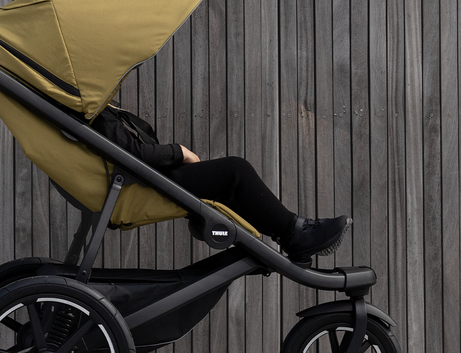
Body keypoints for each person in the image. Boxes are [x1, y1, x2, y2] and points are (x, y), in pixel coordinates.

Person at [91, 106, 350, 261]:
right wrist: (181, 152)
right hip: (138, 185)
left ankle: (293, 234)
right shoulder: (92, 109)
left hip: (139, 181)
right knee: (234, 170)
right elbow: (132, 155)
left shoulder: (88, 107)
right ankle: (297, 234)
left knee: (227, 184)